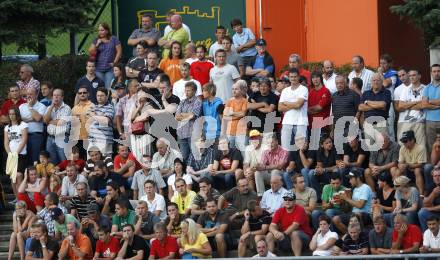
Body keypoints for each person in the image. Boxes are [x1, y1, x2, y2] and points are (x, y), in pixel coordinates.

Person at [266, 191, 312, 256]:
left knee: (294, 233)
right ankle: (270, 257)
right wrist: (275, 232)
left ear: (294, 201)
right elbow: (272, 226)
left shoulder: (300, 209)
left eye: (290, 199)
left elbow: (295, 225)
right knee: (269, 235)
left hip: (303, 238)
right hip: (286, 237)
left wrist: (283, 234)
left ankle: (297, 258)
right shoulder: (280, 211)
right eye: (285, 199)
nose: (287, 201)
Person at [279, 68, 308, 151]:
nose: (293, 78)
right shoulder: (285, 90)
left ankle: (300, 164)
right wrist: (294, 104)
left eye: (295, 76)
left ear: (298, 77)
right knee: (285, 149)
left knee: (301, 148)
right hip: (287, 122)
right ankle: (287, 164)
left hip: (300, 122)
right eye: (291, 77)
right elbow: (280, 108)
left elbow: (299, 105)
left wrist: (286, 103)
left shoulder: (303, 89)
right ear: (289, 77)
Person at [396, 69, 426, 146]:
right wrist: (417, 102)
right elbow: (401, 105)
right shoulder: (406, 90)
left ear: (419, 76)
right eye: (410, 76)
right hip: (407, 121)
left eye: (414, 75)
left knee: (420, 145)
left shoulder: (425, 89)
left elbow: (424, 105)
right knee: (403, 145)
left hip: (420, 121)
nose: (411, 77)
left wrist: (408, 105)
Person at [88, 23, 122, 89]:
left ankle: (109, 99)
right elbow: (90, 52)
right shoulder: (96, 40)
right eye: (99, 30)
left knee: (109, 88)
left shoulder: (114, 39)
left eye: (102, 30)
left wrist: (114, 63)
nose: (100, 32)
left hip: (110, 68)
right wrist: (97, 44)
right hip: (98, 68)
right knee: (100, 88)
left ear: (107, 31)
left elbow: (119, 51)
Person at [175, 81, 202, 161]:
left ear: (194, 91)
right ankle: (186, 173)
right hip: (181, 134)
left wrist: (183, 115)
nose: (186, 92)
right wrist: (187, 115)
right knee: (184, 158)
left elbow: (193, 115)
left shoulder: (198, 102)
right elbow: (177, 117)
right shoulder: (182, 101)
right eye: (185, 90)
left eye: (188, 90)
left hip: (193, 134)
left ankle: (195, 173)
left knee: (195, 156)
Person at [43, 89, 71, 165]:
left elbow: (61, 122)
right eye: (54, 95)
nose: (56, 97)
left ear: (62, 97)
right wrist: (51, 106)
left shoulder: (67, 108)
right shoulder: (49, 108)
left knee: (64, 161)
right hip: (50, 138)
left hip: (62, 138)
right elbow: (45, 121)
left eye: (58, 95)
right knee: (51, 163)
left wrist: (51, 121)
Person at [5, 107, 28, 199]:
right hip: (11, 155)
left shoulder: (23, 125)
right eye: (10, 114)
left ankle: (21, 198)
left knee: (18, 175)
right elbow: (6, 142)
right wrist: (10, 153)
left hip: (21, 154)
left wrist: (16, 153)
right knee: (12, 177)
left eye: (13, 114)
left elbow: (24, 139)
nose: (11, 116)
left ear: (17, 115)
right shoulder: (7, 127)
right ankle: (17, 198)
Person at [19, 88, 46, 165]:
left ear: (36, 95)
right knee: (25, 158)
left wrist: (30, 107)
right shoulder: (22, 106)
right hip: (23, 136)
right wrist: (32, 118)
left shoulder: (41, 106)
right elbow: (19, 120)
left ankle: (35, 176)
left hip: (36, 136)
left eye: (31, 94)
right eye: (27, 94)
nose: (28, 96)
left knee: (35, 159)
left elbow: (38, 118)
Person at [309, 135, 338, 199]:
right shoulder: (319, 151)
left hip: (334, 175)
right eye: (326, 143)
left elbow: (338, 166)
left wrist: (324, 169)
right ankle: (318, 197)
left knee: (337, 170)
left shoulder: (335, 149)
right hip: (325, 175)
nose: (329, 144)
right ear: (322, 145)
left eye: (330, 142)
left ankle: (337, 193)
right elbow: (319, 166)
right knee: (311, 173)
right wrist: (317, 170)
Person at [71, 86, 94, 158]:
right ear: (78, 95)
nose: (82, 94)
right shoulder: (74, 108)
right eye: (80, 93)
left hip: (89, 137)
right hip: (77, 138)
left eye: (84, 92)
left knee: (89, 161)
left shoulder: (93, 106)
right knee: (79, 161)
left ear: (88, 94)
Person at [422, 64, 440, 154]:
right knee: (431, 145)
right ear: (431, 73)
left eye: (438, 71)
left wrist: (430, 101)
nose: (437, 73)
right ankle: (433, 167)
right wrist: (437, 105)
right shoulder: (427, 87)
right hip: (430, 121)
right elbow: (424, 104)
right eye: (434, 71)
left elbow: (427, 102)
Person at [308, 71, 332, 135]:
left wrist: (310, 110)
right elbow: (308, 109)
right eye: (313, 78)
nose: (315, 79)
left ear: (321, 78)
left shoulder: (326, 91)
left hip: (322, 126)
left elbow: (319, 107)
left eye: (317, 77)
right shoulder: (311, 92)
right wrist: (312, 110)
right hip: (311, 125)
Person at [419, 167, 440, 231]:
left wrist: (430, 208)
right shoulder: (431, 186)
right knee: (422, 213)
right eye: (435, 176)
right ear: (433, 178)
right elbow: (425, 203)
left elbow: (427, 207)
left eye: (439, 175)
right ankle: (426, 235)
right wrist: (433, 194)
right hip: (436, 214)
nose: (437, 178)